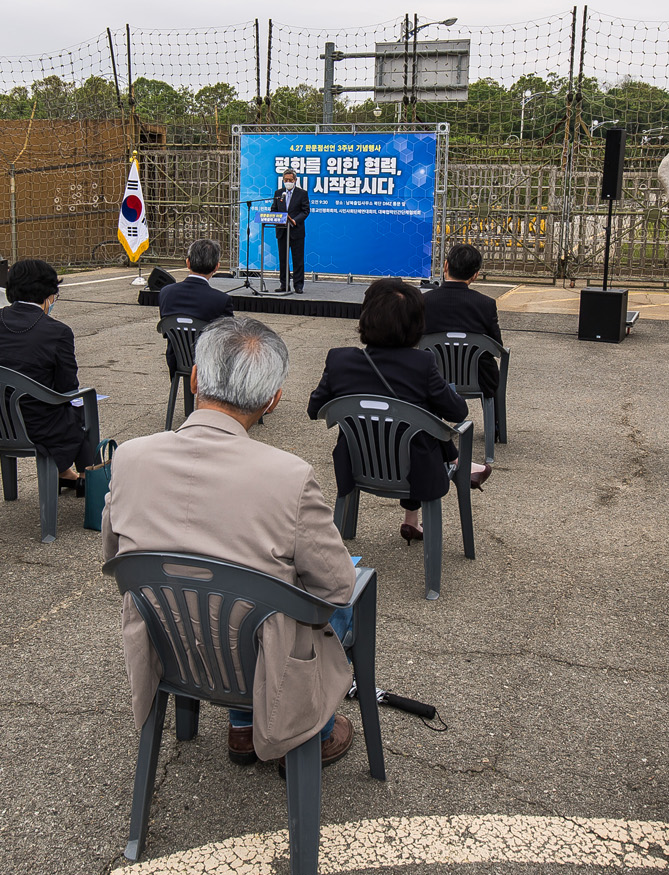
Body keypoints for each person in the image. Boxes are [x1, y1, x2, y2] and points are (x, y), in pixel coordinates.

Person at [103, 316, 356, 767]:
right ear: (273, 401)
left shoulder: (130, 458)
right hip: (260, 662)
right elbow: (335, 588)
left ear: (196, 377)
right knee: (345, 584)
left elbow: (116, 560)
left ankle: (242, 724)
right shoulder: (290, 477)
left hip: (169, 648)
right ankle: (298, 728)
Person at [307, 277, 489, 543]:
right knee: (420, 422)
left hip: (358, 462)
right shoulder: (423, 364)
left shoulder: (340, 360)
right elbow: (458, 412)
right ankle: (457, 461)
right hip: (414, 470)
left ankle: (411, 520)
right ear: (416, 325)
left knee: (415, 419)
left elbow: (315, 409)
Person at [0, 258, 98, 486]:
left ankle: (69, 474)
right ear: (49, 293)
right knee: (81, 408)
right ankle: (87, 477)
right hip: (40, 425)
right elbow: (67, 386)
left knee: (71, 412)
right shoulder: (58, 331)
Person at [422, 242, 503, 399]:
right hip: (479, 379)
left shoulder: (423, 301)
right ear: (475, 275)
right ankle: (495, 422)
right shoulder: (486, 304)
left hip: (432, 376)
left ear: (445, 266)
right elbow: (497, 346)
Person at [156, 238, 235, 375]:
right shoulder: (221, 300)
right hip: (209, 364)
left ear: (188, 262)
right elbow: (228, 335)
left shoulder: (166, 292)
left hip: (176, 360)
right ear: (216, 266)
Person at [271, 168, 311, 294]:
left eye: (290, 180)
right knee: (283, 259)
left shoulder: (302, 193)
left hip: (296, 230)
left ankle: (298, 285)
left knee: (297, 259)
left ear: (295, 180)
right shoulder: (278, 193)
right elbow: (274, 210)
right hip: (282, 231)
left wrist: (294, 220)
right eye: (285, 180)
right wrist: (277, 217)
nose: (288, 182)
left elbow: (305, 211)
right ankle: (284, 284)